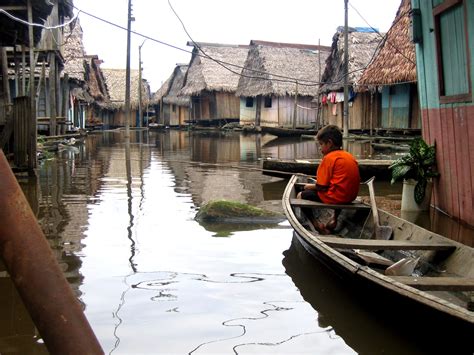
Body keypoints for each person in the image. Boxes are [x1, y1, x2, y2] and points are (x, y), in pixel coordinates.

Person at [297, 125, 360, 234]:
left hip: (337, 197)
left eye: (321, 144)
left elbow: (321, 187)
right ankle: (334, 218)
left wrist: (308, 186)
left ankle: (317, 225)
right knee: (338, 187)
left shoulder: (329, 158)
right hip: (350, 197)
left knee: (300, 196)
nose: (320, 148)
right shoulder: (349, 156)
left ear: (329, 143)